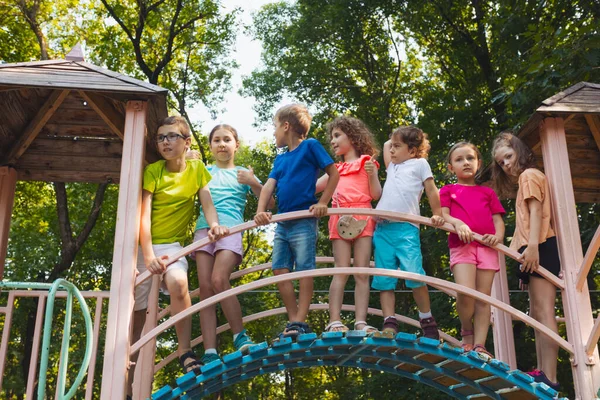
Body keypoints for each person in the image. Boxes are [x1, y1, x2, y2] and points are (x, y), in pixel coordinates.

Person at [127, 116, 228, 399]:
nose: (165, 142)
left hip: (172, 246)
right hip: (142, 248)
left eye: (171, 136)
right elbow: (143, 217)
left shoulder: (196, 169)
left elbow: (206, 201)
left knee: (179, 282)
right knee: (136, 316)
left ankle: (184, 351)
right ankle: (127, 382)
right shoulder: (154, 171)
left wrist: (214, 225)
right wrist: (147, 255)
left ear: (186, 142)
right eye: (160, 138)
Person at [254, 104, 340, 340]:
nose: (273, 133)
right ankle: (294, 320)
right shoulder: (280, 160)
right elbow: (269, 187)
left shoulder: (310, 146)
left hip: (303, 219)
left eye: (274, 126)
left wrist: (323, 201)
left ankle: (300, 319)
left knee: (304, 269)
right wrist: (261, 211)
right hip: (283, 221)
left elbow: (334, 173)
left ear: (286, 125)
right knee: (279, 268)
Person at [192, 124, 271, 364]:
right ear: (210, 146)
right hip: (204, 230)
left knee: (219, 279)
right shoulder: (202, 171)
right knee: (205, 289)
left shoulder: (243, 174)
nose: (222, 144)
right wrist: (187, 159)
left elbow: (271, 204)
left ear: (236, 145)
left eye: (227, 139)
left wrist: (254, 183)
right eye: (216, 140)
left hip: (231, 229)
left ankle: (240, 336)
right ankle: (209, 352)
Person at [492, 131, 561, 391]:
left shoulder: (529, 175)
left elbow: (535, 213)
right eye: (501, 162)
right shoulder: (526, 179)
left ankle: (550, 376)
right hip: (533, 248)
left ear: (519, 151)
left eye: (508, 156)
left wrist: (532, 249)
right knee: (536, 313)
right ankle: (544, 372)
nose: (507, 164)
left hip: (540, 246)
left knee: (543, 312)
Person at [371, 125, 445, 339]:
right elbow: (386, 145)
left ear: (412, 151)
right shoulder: (392, 166)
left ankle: (427, 319)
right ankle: (389, 321)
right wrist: (394, 139)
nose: (391, 150)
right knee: (384, 277)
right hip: (383, 228)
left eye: (397, 147)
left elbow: (431, 189)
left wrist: (437, 213)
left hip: (406, 229)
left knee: (414, 275)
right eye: (391, 146)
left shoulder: (420, 164)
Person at [315, 116, 381, 334]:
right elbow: (312, 188)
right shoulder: (335, 169)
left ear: (352, 136)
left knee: (362, 272)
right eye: (331, 137)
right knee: (341, 270)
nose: (332, 141)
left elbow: (376, 194)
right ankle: (334, 320)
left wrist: (372, 175)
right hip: (339, 218)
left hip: (363, 217)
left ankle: (360, 321)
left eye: (337, 135)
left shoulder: (366, 163)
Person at [440, 142, 505, 356]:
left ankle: (480, 344)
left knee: (483, 297)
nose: (465, 162)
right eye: (459, 159)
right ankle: (466, 328)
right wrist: (458, 224)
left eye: (470, 158)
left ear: (478, 163)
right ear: (451, 168)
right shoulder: (449, 190)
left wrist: (497, 237)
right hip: (462, 246)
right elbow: (444, 215)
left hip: (487, 248)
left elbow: (498, 221)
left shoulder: (487, 192)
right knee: (465, 293)